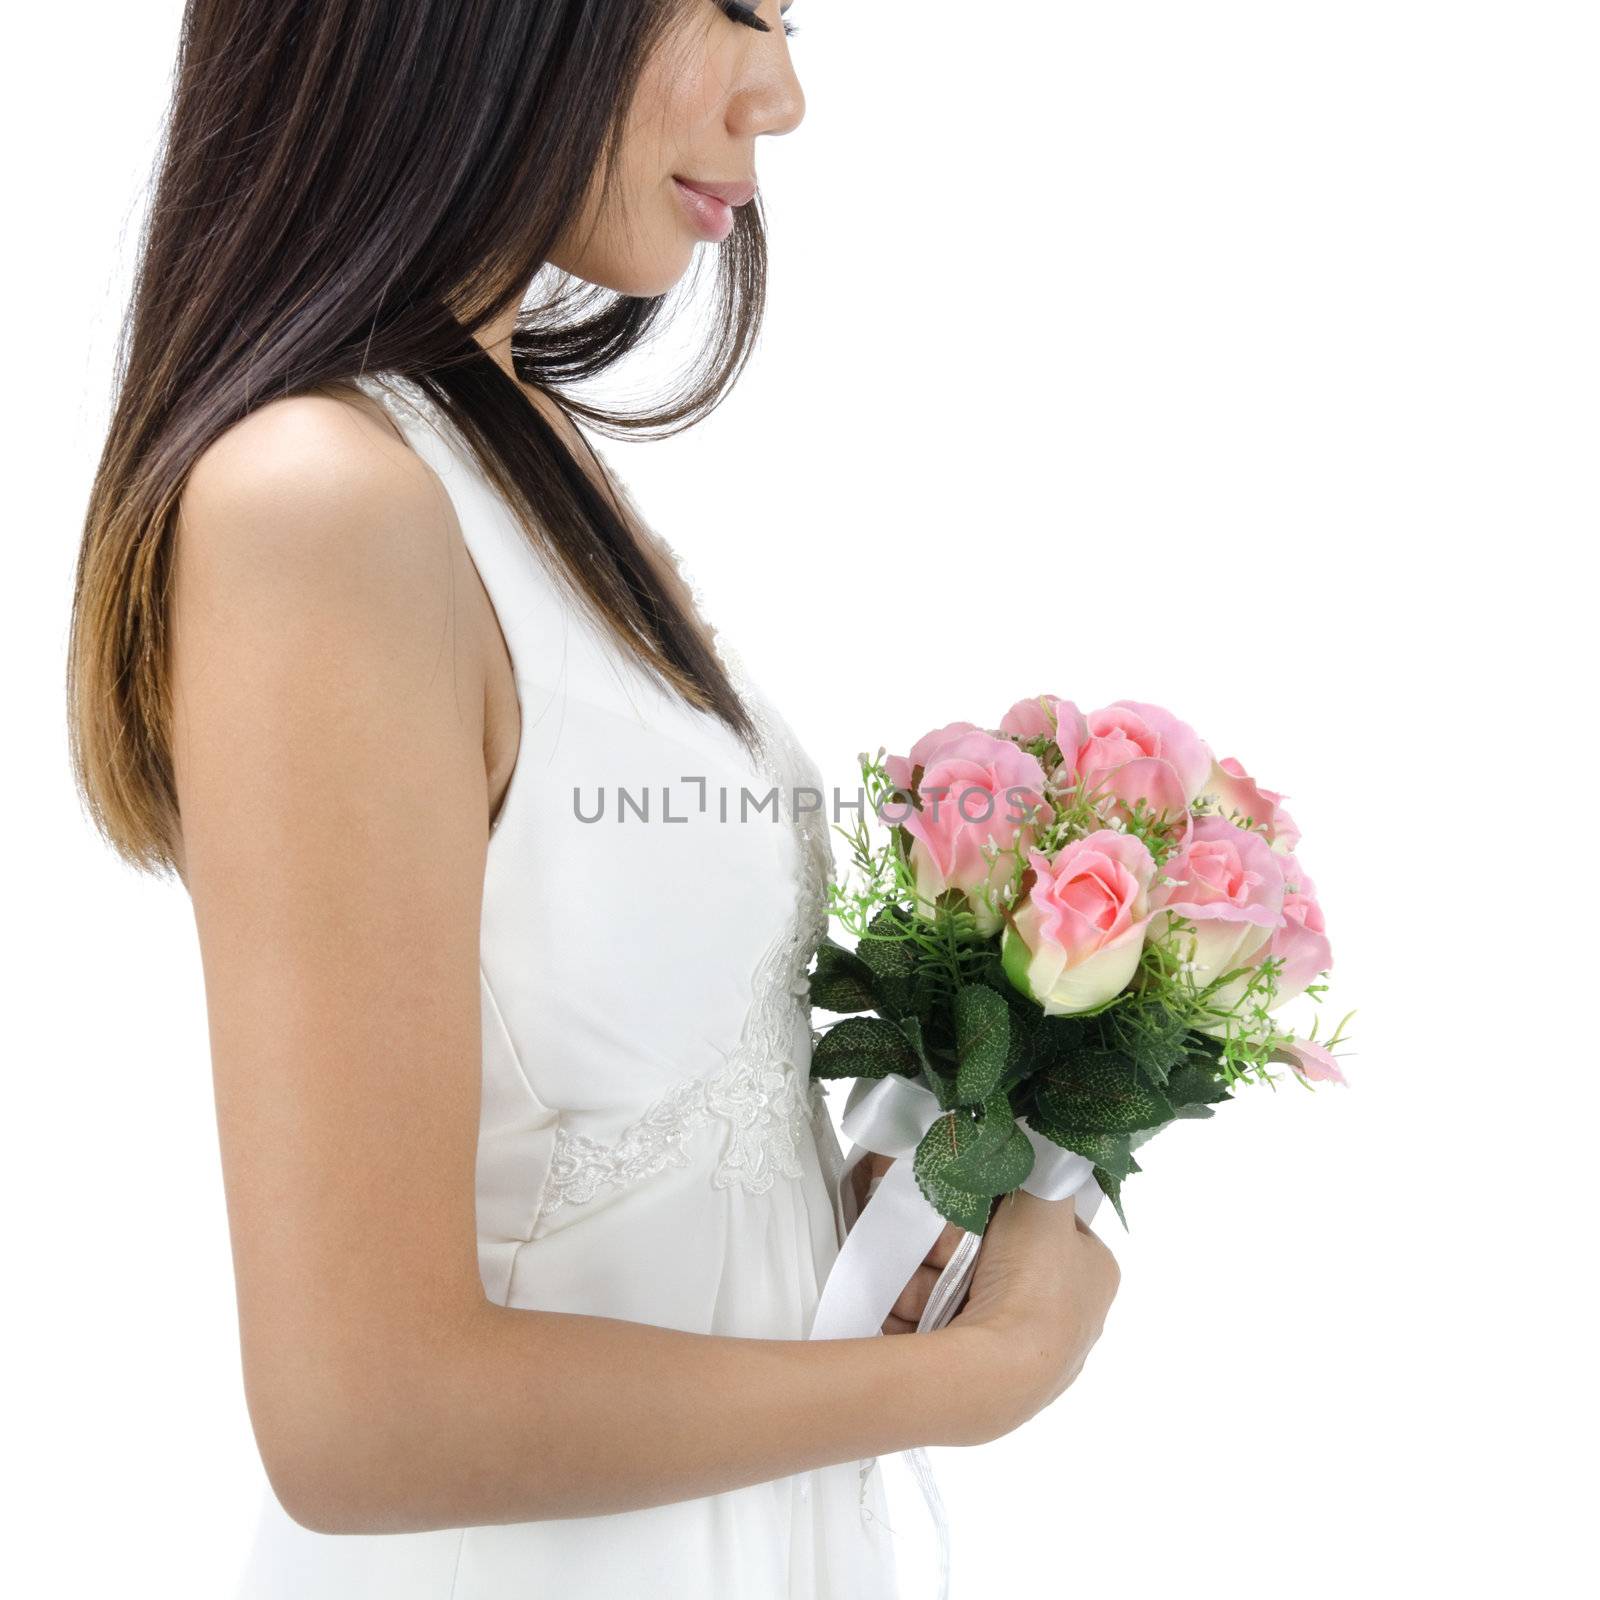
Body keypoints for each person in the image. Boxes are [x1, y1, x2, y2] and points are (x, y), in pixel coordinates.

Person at [65, 3, 1122, 1595]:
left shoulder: (504, 447)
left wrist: (884, 1212)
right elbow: (360, 1420)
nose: (785, 92)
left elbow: (591, 1141)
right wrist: (968, 1382)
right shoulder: (319, 499)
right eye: (735, 8)